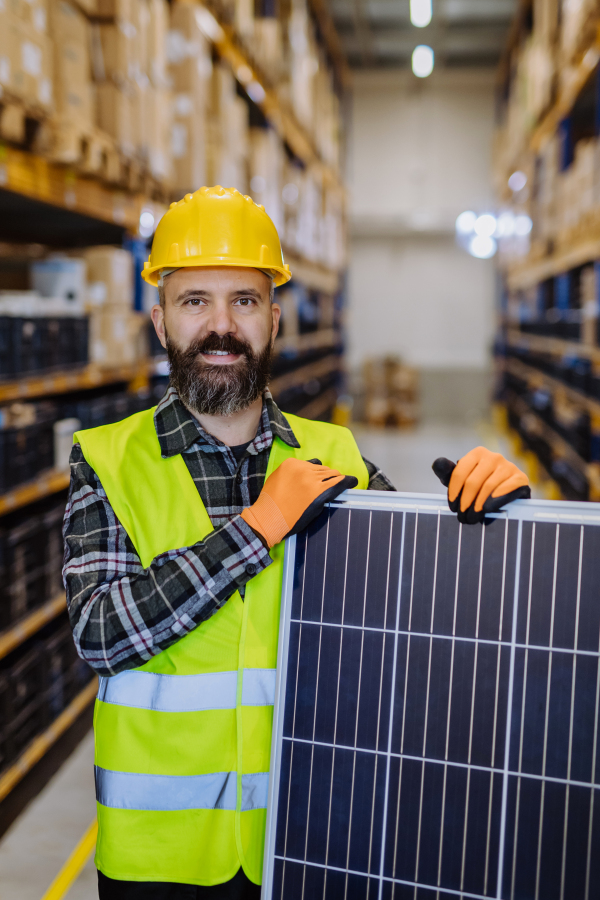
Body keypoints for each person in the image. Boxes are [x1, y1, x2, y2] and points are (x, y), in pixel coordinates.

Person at [63, 186, 530, 899]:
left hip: (313, 834)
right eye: (195, 302)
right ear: (159, 321)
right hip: (162, 859)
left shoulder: (336, 457)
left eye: (244, 302)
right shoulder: (106, 460)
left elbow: (424, 609)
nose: (221, 327)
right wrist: (256, 529)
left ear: (274, 319)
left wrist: (490, 512)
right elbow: (101, 632)